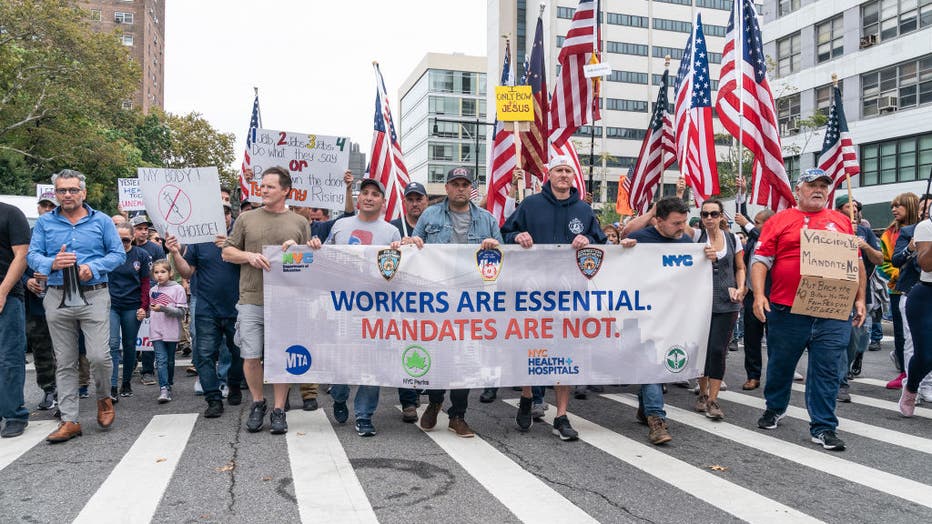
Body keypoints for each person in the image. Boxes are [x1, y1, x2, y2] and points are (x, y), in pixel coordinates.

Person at [751, 169, 865, 451]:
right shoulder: (779, 221)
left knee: (826, 370)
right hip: (787, 309)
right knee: (781, 364)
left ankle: (824, 427)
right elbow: (761, 260)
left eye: (823, 186)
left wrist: (860, 299)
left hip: (832, 311)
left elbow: (856, 264)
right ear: (798, 190)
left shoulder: (842, 222)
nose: (818, 190)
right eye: (811, 185)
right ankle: (775, 406)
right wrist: (757, 296)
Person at [501, 155, 608, 441]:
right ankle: (527, 394)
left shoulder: (584, 210)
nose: (564, 175)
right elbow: (505, 233)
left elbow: (602, 242)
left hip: (570, 296)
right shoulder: (531, 204)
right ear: (549, 175)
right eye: (559, 170)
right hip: (532, 294)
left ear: (574, 177)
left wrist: (589, 240)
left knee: (565, 355)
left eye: (568, 171)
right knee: (531, 349)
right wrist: (517, 237)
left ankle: (561, 415)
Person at [400, 167, 502, 438]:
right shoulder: (430, 215)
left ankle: (458, 415)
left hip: (470, 300)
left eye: (464, 184)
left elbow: (503, 259)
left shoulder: (488, 220)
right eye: (455, 184)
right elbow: (413, 248)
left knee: (464, 358)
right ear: (446, 188)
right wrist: (412, 242)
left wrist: (496, 245)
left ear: (471, 188)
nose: (460, 188)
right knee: (438, 354)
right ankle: (434, 401)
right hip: (436, 299)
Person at [28, 169, 126, 443]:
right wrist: (50, 264)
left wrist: (93, 267)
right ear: (55, 194)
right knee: (65, 361)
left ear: (83, 192)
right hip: (57, 295)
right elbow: (32, 255)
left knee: (98, 356)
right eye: (62, 191)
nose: (67, 195)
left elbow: (118, 254)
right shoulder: (45, 223)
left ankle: (104, 398)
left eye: (72, 190)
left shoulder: (103, 221)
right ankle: (70, 419)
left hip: (94, 294)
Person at [302, 178, 400, 437]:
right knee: (343, 359)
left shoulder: (391, 232)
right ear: (358, 199)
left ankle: (365, 415)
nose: (369, 197)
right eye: (365, 193)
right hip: (342, 306)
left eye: (375, 194)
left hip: (376, 307)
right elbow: (324, 259)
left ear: (382, 201)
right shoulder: (340, 225)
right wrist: (315, 246)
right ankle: (339, 393)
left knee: (373, 361)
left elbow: (397, 269)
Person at [223, 166, 309, 435]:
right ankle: (258, 402)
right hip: (251, 298)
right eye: (262, 185)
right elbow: (226, 251)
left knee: (282, 356)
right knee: (250, 355)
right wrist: (248, 256)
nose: (264, 189)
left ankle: (279, 408)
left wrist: (298, 252)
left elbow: (309, 262)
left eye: (270, 186)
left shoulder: (300, 222)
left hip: (286, 301)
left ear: (286, 191)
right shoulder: (246, 219)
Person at [618, 197, 691, 445]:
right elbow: (622, 252)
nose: (682, 228)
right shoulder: (643, 239)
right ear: (658, 221)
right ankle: (656, 420)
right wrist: (624, 250)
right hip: (643, 315)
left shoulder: (687, 242)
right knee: (651, 361)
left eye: (684, 222)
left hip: (672, 315)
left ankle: (645, 407)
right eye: (676, 223)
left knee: (656, 363)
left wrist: (706, 257)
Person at [166, 203, 244, 418]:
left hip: (237, 307)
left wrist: (230, 246)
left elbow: (252, 259)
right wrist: (175, 253)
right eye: (219, 214)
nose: (224, 217)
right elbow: (187, 272)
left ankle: (235, 384)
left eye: (227, 213)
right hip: (207, 308)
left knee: (239, 353)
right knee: (204, 355)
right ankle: (213, 398)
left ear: (231, 216)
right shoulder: (199, 241)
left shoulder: (240, 236)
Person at [692, 200, 745, 420]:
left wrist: (741, 288)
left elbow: (740, 267)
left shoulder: (733, 240)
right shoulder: (696, 237)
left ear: (722, 216)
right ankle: (702, 393)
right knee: (702, 349)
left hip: (727, 302)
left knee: (717, 349)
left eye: (714, 214)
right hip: (699, 303)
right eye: (705, 214)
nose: (709, 218)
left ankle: (713, 399)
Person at [835, 196, 882, 402]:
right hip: (835, 293)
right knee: (840, 340)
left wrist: (864, 246)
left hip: (861, 293)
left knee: (857, 340)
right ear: (838, 210)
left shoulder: (865, 232)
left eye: (856, 207)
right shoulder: (829, 228)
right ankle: (840, 382)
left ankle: (848, 366)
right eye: (848, 206)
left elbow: (879, 259)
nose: (854, 209)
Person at [390, 180, 430, 421]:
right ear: (404, 202)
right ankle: (408, 401)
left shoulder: (434, 226)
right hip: (403, 298)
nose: (415, 203)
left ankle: (427, 388)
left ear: (426, 201)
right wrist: (398, 246)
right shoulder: (395, 228)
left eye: (419, 199)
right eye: (410, 199)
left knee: (428, 344)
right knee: (404, 346)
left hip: (431, 297)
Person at [892, 195, 932, 404]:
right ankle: (911, 382)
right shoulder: (911, 231)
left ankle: (927, 386)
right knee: (915, 345)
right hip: (915, 292)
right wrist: (910, 248)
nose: (927, 212)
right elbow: (896, 259)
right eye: (924, 208)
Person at [878, 192, 920, 389]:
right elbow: (884, 263)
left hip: (922, 287)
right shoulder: (889, 234)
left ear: (910, 207)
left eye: (898, 206)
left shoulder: (923, 229)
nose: (894, 210)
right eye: (892, 206)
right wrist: (897, 274)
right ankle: (904, 371)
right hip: (898, 290)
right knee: (901, 333)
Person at [107, 222, 151, 401]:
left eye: (126, 239)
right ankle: (112, 386)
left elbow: (146, 283)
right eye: (118, 239)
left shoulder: (141, 255)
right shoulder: (108, 253)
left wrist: (144, 306)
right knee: (112, 344)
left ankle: (126, 382)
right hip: (111, 304)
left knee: (130, 345)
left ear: (132, 238)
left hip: (132, 305)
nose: (122, 243)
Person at [24, 191, 59, 410]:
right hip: (35, 303)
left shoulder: (65, 231)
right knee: (41, 348)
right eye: (43, 206)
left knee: (67, 350)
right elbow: (14, 265)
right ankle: (48, 389)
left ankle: (69, 391)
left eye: (51, 207)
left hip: (61, 298)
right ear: (38, 208)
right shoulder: (25, 234)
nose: (46, 210)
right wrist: (27, 281)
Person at [0, 199, 31, 438]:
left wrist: (2, 291)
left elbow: (21, 256)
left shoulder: (11, 213)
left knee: (9, 357)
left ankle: (14, 414)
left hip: (7, 296)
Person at [734, 207, 774, 391]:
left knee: (774, 338)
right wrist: (740, 199)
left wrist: (747, 224)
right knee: (751, 338)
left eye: (758, 222)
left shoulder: (773, 237)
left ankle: (776, 376)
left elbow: (758, 233)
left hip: (771, 295)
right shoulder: (752, 239)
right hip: (751, 294)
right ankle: (753, 375)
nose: (753, 224)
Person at [130, 214, 164, 386]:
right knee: (129, 334)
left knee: (148, 335)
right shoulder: (125, 247)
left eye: (145, 229)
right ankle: (129, 366)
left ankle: (148, 370)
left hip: (150, 294)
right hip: (130, 295)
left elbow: (163, 269)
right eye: (139, 229)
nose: (143, 232)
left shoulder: (155, 249)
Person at [148, 259, 187, 403]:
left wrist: (163, 308)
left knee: (170, 361)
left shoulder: (177, 289)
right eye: (156, 272)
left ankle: (169, 383)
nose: (159, 275)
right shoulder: (153, 290)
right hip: (156, 330)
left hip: (171, 330)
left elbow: (181, 313)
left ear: (170, 273)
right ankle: (163, 388)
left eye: (163, 272)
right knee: (161, 360)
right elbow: (150, 310)